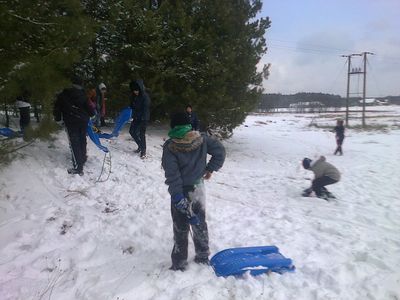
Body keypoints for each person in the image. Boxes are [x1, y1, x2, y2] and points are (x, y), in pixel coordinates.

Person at [162, 112, 226, 271]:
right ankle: (203, 256)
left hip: (181, 191)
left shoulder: (171, 146)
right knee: (199, 223)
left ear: (173, 126)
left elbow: (172, 174)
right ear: (189, 125)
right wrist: (211, 168)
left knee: (180, 226)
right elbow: (220, 152)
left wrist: (177, 197)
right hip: (197, 189)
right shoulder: (202, 139)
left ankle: (179, 262)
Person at [54, 76, 94, 175]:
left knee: (74, 142)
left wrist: (58, 119)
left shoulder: (63, 94)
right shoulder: (83, 94)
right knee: (82, 139)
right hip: (83, 120)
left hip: (71, 121)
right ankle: (83, 158)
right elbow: (90, 108)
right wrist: (91, 115)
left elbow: (57, 108)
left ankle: (78, 167)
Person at [129, 79, 151, 158]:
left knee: (142, 134)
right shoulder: (134, 96)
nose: (135, 92)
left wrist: (143, 118)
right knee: (132, 131)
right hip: (136, 117)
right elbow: (132, 106)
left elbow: (146, 108)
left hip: (143, 118)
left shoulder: (145, 97)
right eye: (134, 91)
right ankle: (140, 145)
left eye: (137, 90)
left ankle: (143, 151)